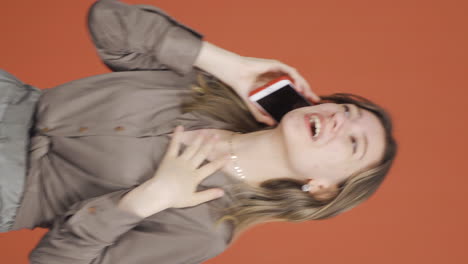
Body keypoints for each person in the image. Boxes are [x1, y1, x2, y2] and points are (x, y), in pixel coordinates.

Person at [0, 0, 397, 263]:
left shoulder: (205, 229)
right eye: (345, 110)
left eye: (352, 142)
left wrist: (142, 201)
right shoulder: (212, 90)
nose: (339, 121)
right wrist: (229, 65)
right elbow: (108, 20)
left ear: (323, 187)